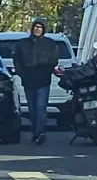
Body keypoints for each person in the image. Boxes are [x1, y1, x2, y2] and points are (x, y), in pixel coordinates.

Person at [11, 17, 62, 145]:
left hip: (43, 81)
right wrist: (22, 74)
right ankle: (35, 131)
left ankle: (40, 132)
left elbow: (54, 60)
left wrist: (47, 71)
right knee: (32, 109)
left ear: (43, 29)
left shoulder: (50, 43)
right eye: (35, 27)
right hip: (28, 81)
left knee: (40, 107)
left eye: (40, 27)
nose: (37, 29)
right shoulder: (22, 43)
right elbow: (17, 60)